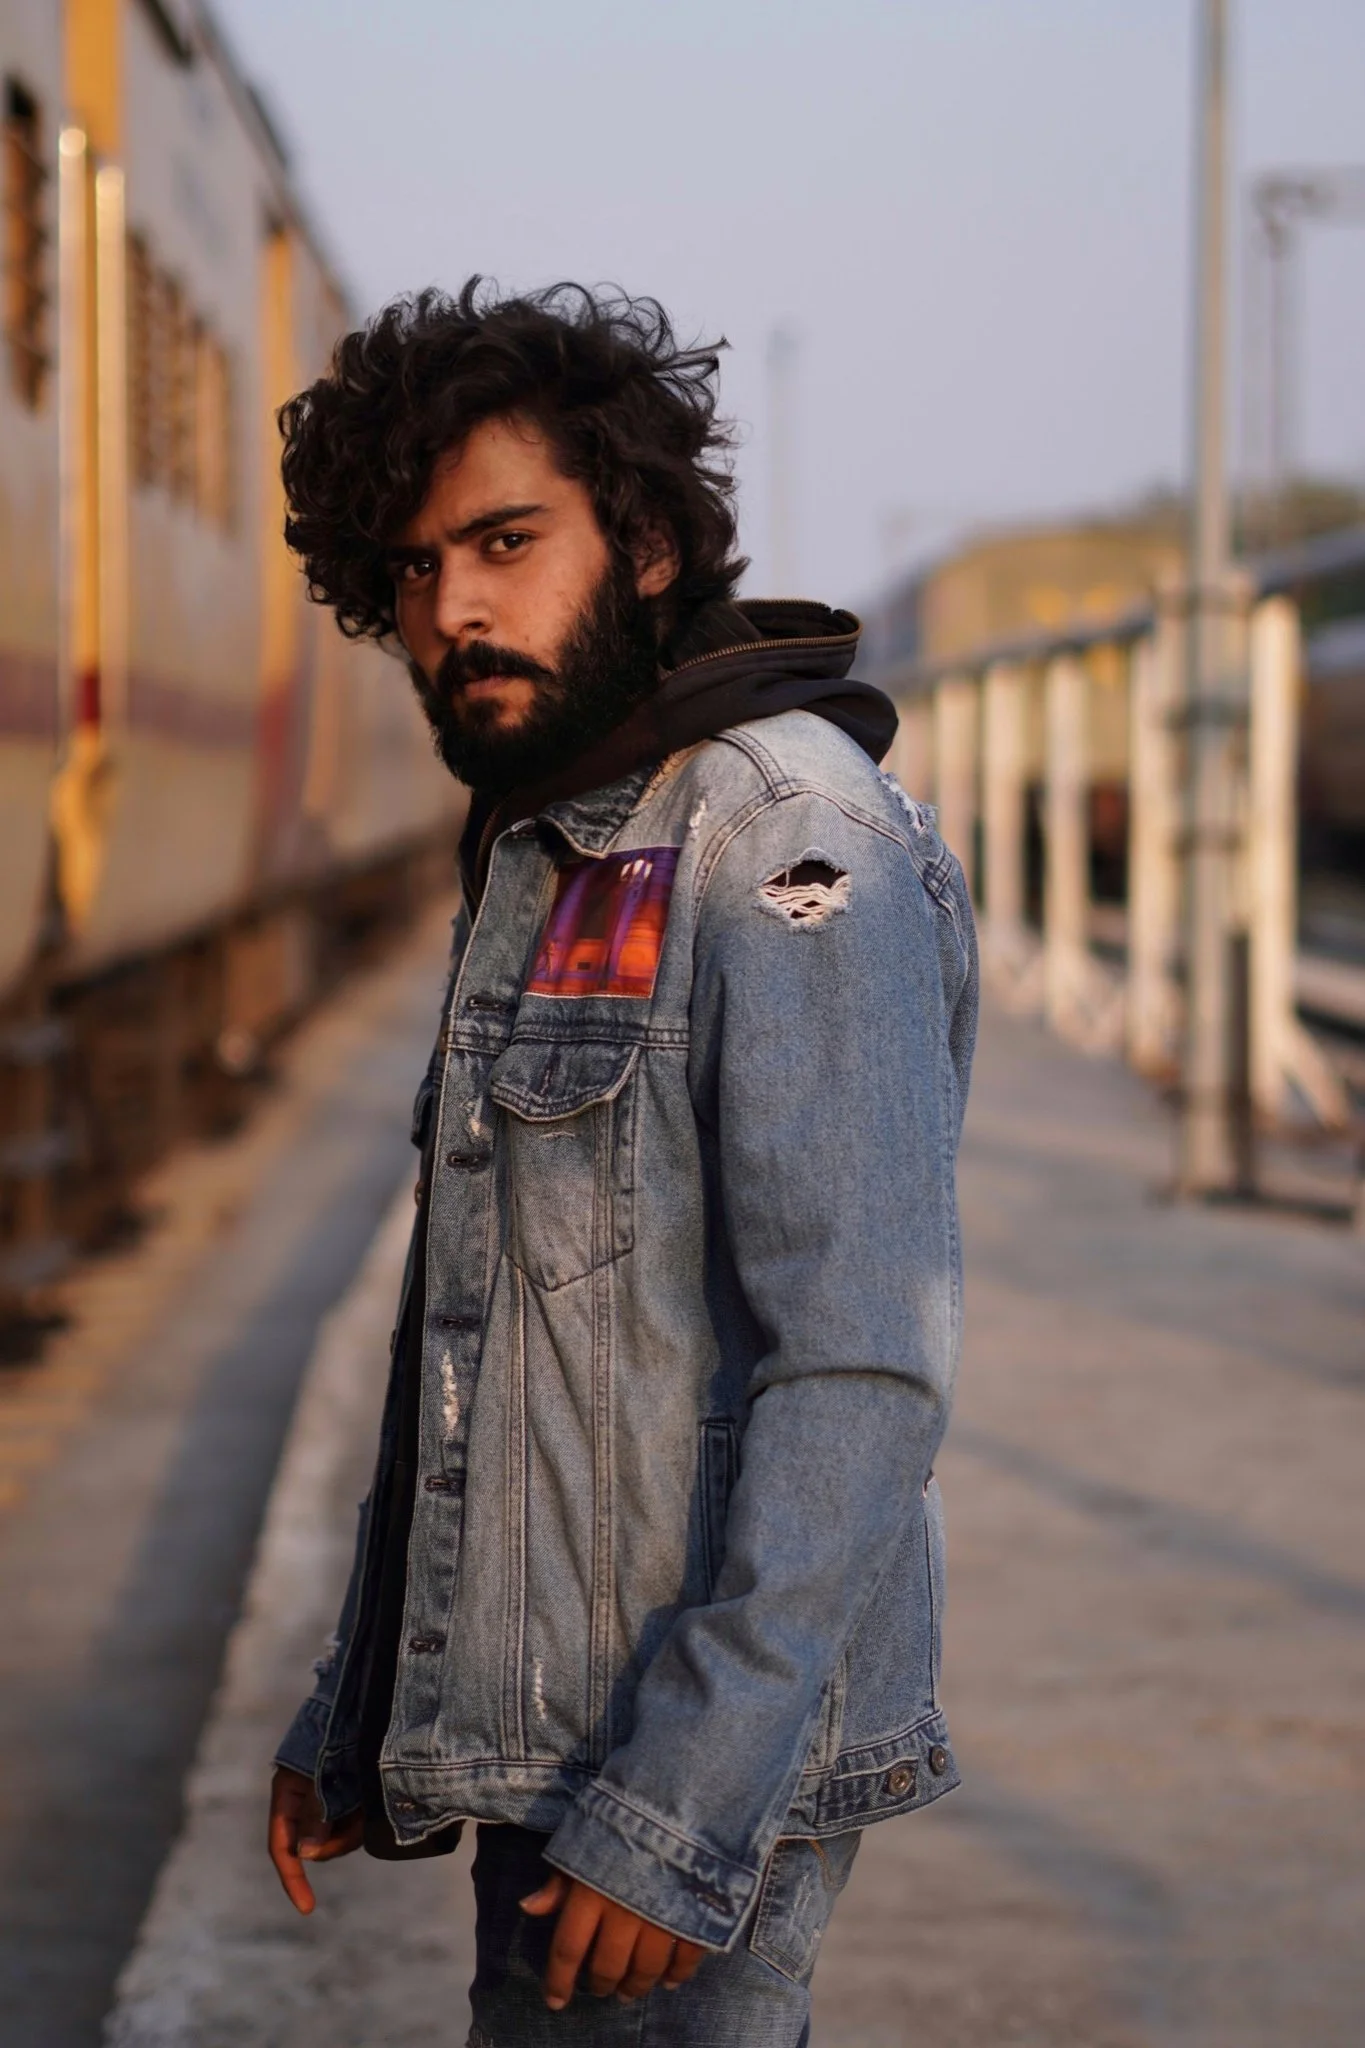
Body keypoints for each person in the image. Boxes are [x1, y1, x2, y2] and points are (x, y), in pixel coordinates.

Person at [267, 280, 977, 2046]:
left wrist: (675, 1814)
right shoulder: (565, 841)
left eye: (507, 540)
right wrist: (366, 1703)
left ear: (647, 541)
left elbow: (865, 1365)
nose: (456, 610)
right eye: (417, 571)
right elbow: (479, 1337)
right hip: (548, 1728)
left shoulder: (784, 837)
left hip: (674, 1776)